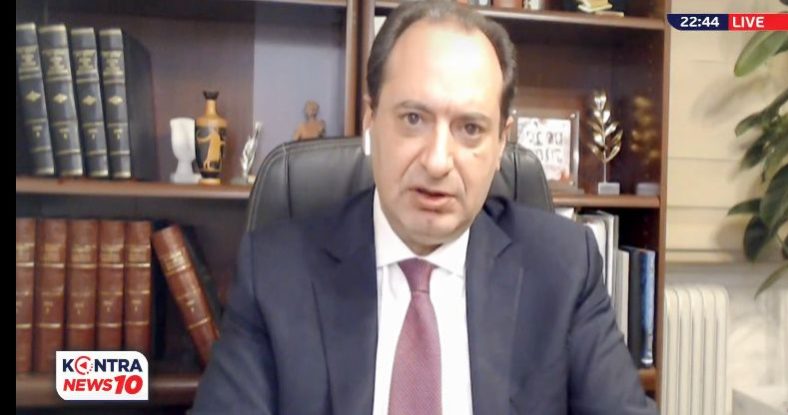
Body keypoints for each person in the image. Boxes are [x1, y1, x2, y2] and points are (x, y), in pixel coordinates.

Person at [191, 1, 657, 414]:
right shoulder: (277, 272)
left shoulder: (563, 267)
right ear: (372, 122)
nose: (437, 161)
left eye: (470, 129)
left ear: (501, 144)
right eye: (413, 119)